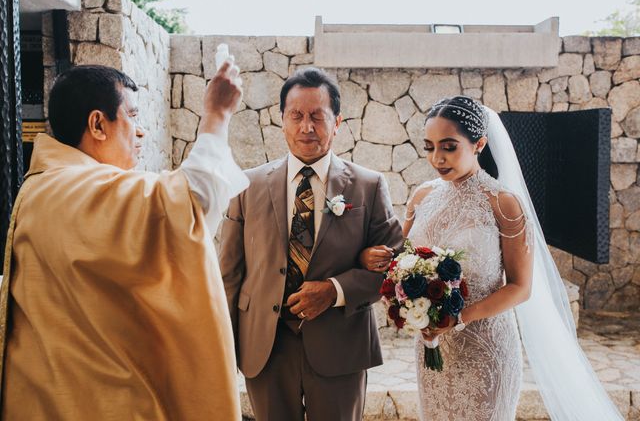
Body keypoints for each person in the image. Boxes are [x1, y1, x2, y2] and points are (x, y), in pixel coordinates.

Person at [0, 62, 248, 420]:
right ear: (98, 124)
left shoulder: (46, 186)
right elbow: (191, 204)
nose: (142, 131)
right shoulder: (75, 191)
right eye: (132, 115)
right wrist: (216, 115)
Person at [361, 96, 623, 420]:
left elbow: (520, 287)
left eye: (448, 146)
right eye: (429, 147)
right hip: (433, 345)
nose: (437, 158)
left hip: (486, 348)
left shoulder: (503, 204)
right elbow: (403, 258)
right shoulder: (422, 197)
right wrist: (384, 264)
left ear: (479, 143)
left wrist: (457, 318)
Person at [219, 67, 403, 421]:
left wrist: (334, 290)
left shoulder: (368, 185)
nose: (307, 127)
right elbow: (229, 272)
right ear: (282, 121)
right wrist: (222, 345)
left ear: (337, 123)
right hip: (265, 347)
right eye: (297, 116)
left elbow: (395, 267)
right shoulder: (246, 185)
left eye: (318, 116)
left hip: (341, 345)